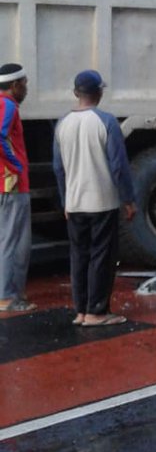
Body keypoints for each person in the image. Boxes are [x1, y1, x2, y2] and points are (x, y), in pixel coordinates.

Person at [53, 69, 137, 327]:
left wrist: (65, 199)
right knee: (102, 255)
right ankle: (97, 311)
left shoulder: (62, 123)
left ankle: (80, 310)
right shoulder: (107, 121)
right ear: (98, 92)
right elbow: (118, 166)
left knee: (79, 255)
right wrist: (128, 199)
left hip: (75, 203)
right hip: (102, 201)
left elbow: (58, 167)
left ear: (76, 93)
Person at [0, 63, 35, 314]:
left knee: (7, 240)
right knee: (13, 241)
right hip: (12, 184)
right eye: (24, 83)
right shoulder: (8, 105)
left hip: (6, 183)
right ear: (14, 85)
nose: (26, 88)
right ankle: (8, 297)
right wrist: (17, 167)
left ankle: (8, 294)